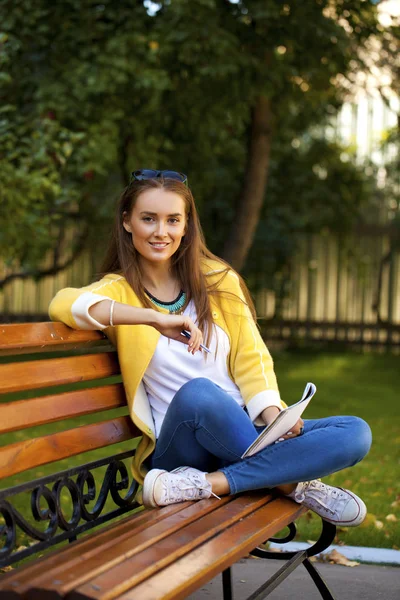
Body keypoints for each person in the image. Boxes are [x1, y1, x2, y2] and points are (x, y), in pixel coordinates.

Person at [49, 169, 372, 525]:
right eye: (148, 219)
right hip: (182, 448)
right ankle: (292, 483)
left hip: (240, 435)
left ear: (186, 226)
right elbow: (65, 304)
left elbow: (252, 360)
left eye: (173, 220)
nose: (161, 232)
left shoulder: (219, 280)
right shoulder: (119, 291)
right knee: (201, 394)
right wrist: (152, 318)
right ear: (127, 223)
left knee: (355, 432)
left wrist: (272, 416)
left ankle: (210, 484)